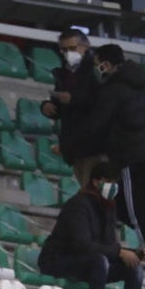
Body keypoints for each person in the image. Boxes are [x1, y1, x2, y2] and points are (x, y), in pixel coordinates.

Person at [83, 43, 145, 288]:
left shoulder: (114, 89)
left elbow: (98, 124)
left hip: (134, 156)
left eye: (98, 63)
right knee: (121, 204)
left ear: (107, 64)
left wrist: (75, 144)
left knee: (137, 211)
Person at [37, 161, 144, 289]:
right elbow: (82, 245)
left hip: (89, 262)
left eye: (115, 182)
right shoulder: (78, 204)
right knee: (100, 261)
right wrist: (119, 252)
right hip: (58, 260)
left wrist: (135, 254)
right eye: (109, 181)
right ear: (95, 182)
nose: (113, 186)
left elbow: (108, 245)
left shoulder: (109, 207)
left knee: (134, 267)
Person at [40, 29, 102, 186]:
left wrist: (74, 99)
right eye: (64, 50)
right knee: (86, 188)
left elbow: (104, 102)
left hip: (96, 144)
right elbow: (60, 102)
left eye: (73, 48)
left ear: (85, 46)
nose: (69, 53)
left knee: (95, 191)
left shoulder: (98, 70)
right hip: (76, 145)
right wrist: (49, 107)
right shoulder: (64, 74)